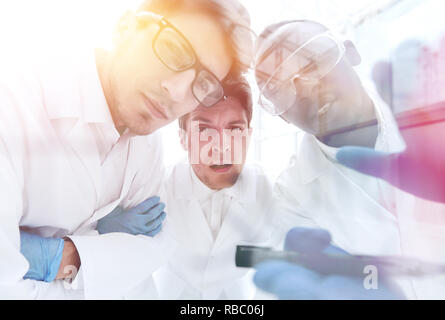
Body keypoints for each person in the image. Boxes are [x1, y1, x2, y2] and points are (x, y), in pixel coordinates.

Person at [0, 0, 253, 299]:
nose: (177, 91)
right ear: (125, 28)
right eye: (173, 50)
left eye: (204, 83)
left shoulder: (147, 147)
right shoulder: (14, 98)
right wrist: (89, 257)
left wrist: (63, 257)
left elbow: (148, 259)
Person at [253, 20, 445, 300]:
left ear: (350, 52)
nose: (305, 89)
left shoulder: (433, 120)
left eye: (310, 62)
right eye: (280, 88)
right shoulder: (291, 198)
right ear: (281, 114)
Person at [126, 76, 277, 299]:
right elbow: (132, 275)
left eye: (234, 129)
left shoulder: (268, 191)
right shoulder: (157, 190)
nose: (221, 147)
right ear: (183, 139)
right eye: (204, 130)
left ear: (249, 135)